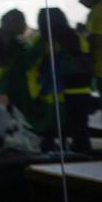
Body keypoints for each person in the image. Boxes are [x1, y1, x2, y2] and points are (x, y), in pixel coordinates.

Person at [29, 8, 96, 153]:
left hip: (56, 93)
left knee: (50, 129)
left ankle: (50, 159)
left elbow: (32, 65)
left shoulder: (45, 42)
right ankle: (82, 159)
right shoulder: (77, 37)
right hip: (81, 89)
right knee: (80, 130)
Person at [72, 0, 102, 85]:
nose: (80, 2)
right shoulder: (95, 11)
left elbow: (98, 42)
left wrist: (83, 32)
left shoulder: (99, 11)